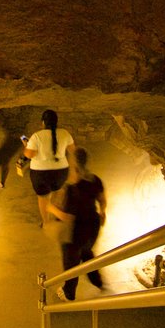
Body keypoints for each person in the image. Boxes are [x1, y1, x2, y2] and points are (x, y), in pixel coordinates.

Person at [47, 147, 105, 301]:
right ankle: (98, 282)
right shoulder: (95, 180)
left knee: (71, 264)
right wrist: (102, 213)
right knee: (87, 253)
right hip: (92, 227)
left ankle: (69, 293)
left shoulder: (73, 189)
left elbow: (68, 217)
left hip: (75, 233)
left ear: (72, 164)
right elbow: (102, 199)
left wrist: (51, 208)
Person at [22, 109, 75, 223]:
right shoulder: (65, 133)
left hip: (40, 174)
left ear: (43, 122)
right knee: (57, 192)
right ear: (56, 122)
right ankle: (58, 214)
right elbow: (73, 151)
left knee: (42, 198)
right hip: (61, 172)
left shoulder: (36, 136)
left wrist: (26, 146)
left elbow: (29, 154)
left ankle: (46, 222)